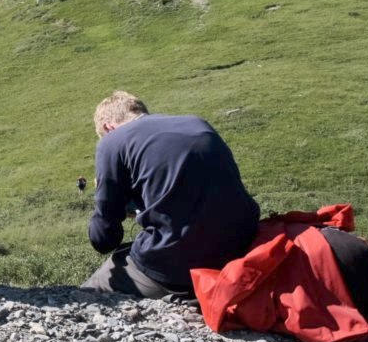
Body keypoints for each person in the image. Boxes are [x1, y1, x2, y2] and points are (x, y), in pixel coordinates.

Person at [81, 91, 260, 298]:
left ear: (108, 127)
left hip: (178, 264)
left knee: (88, 292)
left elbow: (104, 240)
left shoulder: (112, 141)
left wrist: (105, 194)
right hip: (243, 248)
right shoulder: (197, 123)